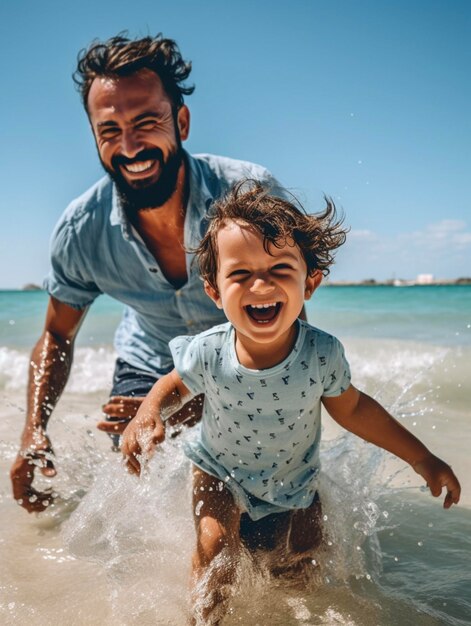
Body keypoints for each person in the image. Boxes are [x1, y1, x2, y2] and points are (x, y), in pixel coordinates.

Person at [121, 181, 461, 624]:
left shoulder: (321, 354)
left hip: (295, 477)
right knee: (215, 547)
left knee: (302, 561)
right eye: (240, 274)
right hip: (218, 471)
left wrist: (423, 459)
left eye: (279, 269)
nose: (260, 284)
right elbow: (173, 384)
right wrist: (148, 414)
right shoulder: (208, 351)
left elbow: (355, 410)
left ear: (310, 283)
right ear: (215, 291)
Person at [10, 33, 285, 514]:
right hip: (148, 358)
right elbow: (56, 334)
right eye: (109, 130)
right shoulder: (82, 231)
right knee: (138, 506)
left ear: (181, 121)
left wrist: (186, 406)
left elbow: (287, 324)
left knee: (277, 523)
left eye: (146, 122)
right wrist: (35, 429)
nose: (130, 146)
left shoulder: (252, 197)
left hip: (252, 356)